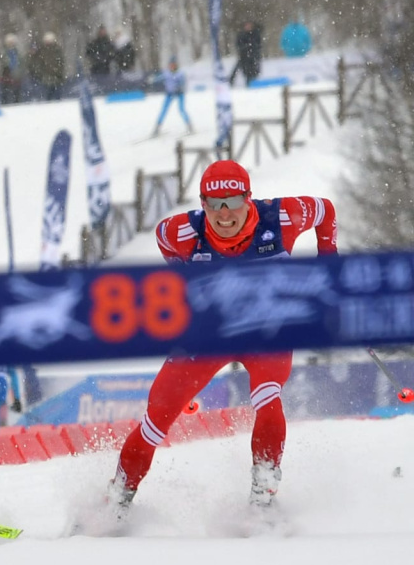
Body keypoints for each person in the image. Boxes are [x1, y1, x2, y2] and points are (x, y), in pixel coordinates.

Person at [107, 160, 338, 517]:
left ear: (249, 198)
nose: (224, 213)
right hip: (210, 334)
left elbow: (326, 210)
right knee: (157, 415)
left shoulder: (284, 217)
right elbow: (162, 239)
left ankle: (263, 494)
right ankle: (116, 500)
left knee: (267, 396)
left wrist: (328, 259)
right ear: (203, 203)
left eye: (232, 201)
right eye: (214, 204)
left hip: (267, 331)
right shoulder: (181, 232)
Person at [152, 56, 192, 136]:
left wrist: (179, 88)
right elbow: (159, 78)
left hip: (179, 93)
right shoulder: (167, 73)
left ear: (176, 65)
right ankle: (157, 128)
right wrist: (153, 79)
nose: (172, 66)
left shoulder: (180, 74)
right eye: (171, 64)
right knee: (164, 110)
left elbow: (183, 84)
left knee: (181, 109)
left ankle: (189, 126)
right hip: (169, 93)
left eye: (173, 64)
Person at [230, 21, 263, 86]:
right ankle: (231, 83)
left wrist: (252, 50)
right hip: (244, 57)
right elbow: (239, 45)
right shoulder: (241, 35)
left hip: (253, 57)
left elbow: (258, 45)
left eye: (249, 25)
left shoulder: (255, 34)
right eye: (246, 25)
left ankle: (250, 83)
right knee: (239, 70)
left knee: (252, 72)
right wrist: (245, 48)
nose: (248, 27)